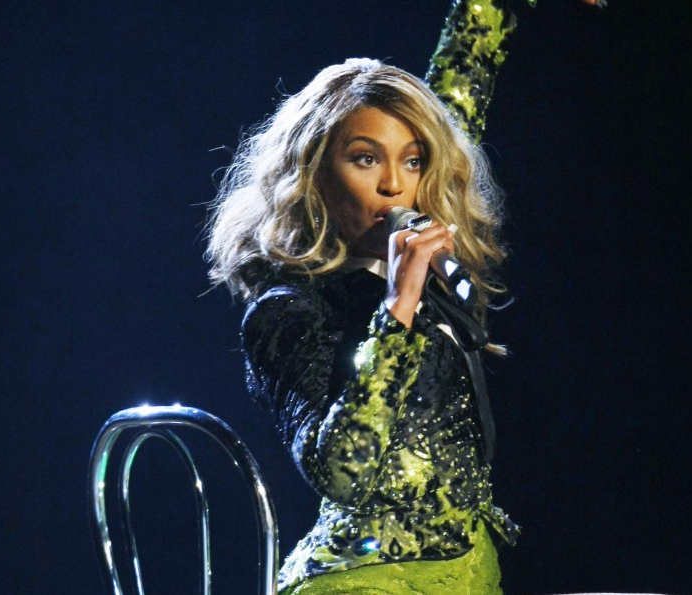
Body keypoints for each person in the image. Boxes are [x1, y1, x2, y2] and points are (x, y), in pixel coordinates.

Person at [205, 58, 517, 595]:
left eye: (414, 161)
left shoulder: (432, 272)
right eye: (365, 159)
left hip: (469, 572)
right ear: (315, 171)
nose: (394, 184)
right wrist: (398, 309)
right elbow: (342, 472)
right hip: (365, 580)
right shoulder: (287, 310)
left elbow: (463, 81)